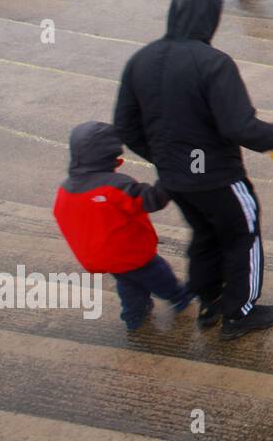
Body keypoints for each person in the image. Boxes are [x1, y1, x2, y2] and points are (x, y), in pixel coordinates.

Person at [113, 0, 273, 341]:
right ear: (209, 18)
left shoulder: (141, 60)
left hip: (176, 179)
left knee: (205, 236)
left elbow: (126, 125)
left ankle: (209, 301)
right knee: (243, 237)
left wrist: (164, 158)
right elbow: (238, 125)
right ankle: (240, 312)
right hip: (220, 176)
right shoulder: (213, 63)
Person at [53, 121, 192, 331]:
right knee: (158, 274)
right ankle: (179, 297)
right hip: (133, 254)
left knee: (128, 285)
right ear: (111, 154)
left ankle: (133, 317)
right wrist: (168, 177)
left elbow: (63, 215)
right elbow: (152, 200)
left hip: (105, 259)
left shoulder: (66, 189)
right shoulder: (116, 185)